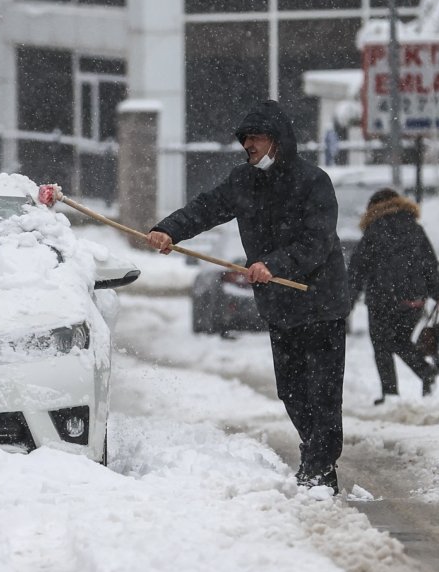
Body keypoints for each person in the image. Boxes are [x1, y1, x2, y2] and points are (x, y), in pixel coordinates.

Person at [146, 101, 351, 492]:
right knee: (291, 390)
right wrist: (169, 230)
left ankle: (321, 470)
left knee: (323, 392)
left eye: (256, 138)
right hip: (281, 307)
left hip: (320, 302)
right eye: (245, 139)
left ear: (277, 141)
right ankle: (314, 454)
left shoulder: (313, 181)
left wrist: (275, 264)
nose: (248, 145)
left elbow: (318, 241)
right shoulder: (243, 182)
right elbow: (206, 208)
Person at [346, 188, 439, 405]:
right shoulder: (415, 228)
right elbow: (430, 263)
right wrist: (438, 293)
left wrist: (348, 301)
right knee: (400, 341)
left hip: (383, 299)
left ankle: (390, 394)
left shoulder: (374, 230)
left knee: (382, 346)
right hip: (414, 300)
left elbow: (357, 269)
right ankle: (426, 372)